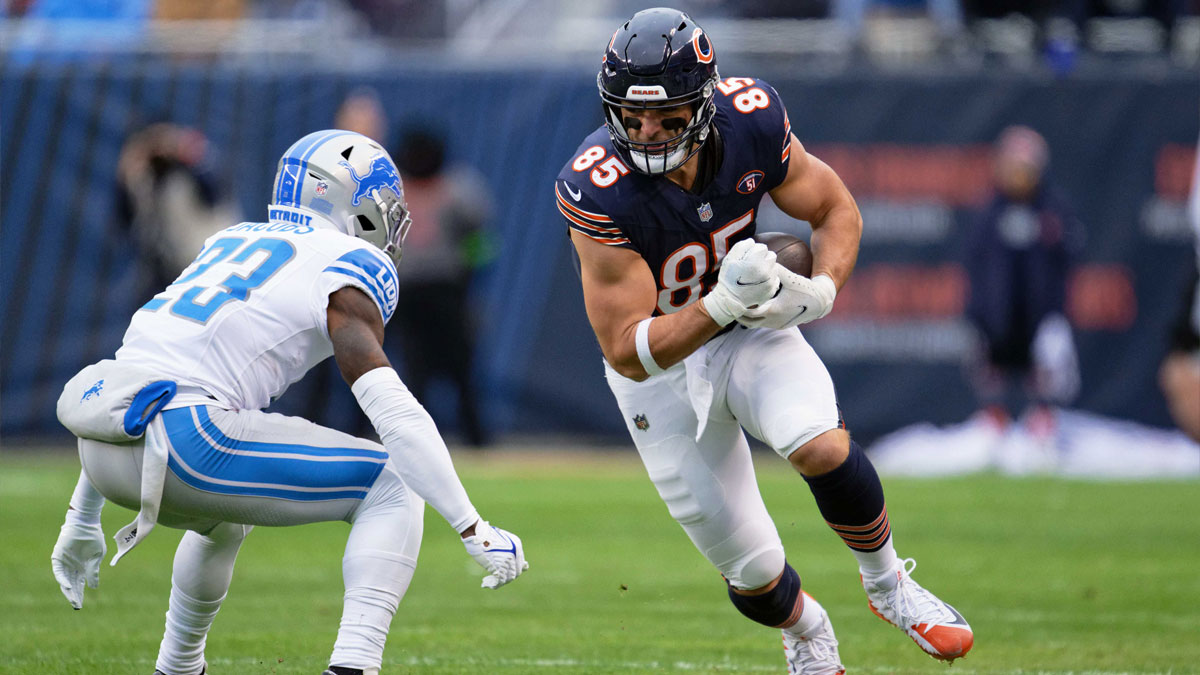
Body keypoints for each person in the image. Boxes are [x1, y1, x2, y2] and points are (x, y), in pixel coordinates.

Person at [557, 9, 972, 672]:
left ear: (704, 100)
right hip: (659, 371)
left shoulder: (751, 119)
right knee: (752, 570)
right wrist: (721, 300)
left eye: (665, 118)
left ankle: (890, 583)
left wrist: (824, 290)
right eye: (631, 119)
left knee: (819, 443)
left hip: (747, 330)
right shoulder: (597, 188)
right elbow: (626, 349)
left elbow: (835, 209)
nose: (645, 134)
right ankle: (808, 629)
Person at [50, 130, 528, 675]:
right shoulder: (347, 260)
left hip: (105, 443)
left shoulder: (230, 241)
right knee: (395, 482)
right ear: (346, 197)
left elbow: (136, 381)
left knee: (224, 520)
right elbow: (391, 409)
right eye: (380, 201)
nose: (390, 218)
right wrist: (472, 526)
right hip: (186, 438)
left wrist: (80, 518)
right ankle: (354, 666)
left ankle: (178, 668)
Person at [964, 125, 1082, 444]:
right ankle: (994, 423)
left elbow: (1067, 261)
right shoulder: (988, 213)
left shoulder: (1053, 211)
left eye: (1025, 169)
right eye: (1012, 167)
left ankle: (1044, 423)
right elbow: (976, 268)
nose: (1018, 176)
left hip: (1041, 317)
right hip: (996, 320)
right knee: (988, 368)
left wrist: (1056, 314)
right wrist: (978, 317)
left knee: (1050, 357)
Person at [390, 127, 495, 447]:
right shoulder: (391, 192)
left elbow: (481, 242)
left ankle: (475, 438)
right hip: (405, 294)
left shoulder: (458, 190)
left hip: (445, 291)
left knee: (460, 368)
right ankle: (411, 439)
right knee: (408, 370)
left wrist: (468, 276)